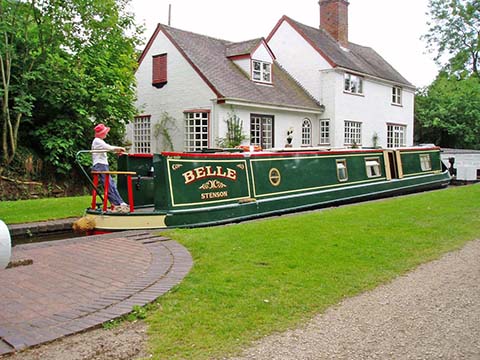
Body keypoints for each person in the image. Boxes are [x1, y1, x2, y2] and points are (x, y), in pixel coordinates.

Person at [91, 123, 129, 213]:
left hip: (102, 165)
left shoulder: (99, 141)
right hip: (100, 165)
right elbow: (108, 148)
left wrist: (117, 150)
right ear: (101, 133)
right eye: (105, 132)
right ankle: (117, 204)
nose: (106, 134)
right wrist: (120, 148)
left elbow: (107, 149)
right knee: (109, 184)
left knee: (111, 184)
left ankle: (119, 203)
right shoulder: (97, 141)